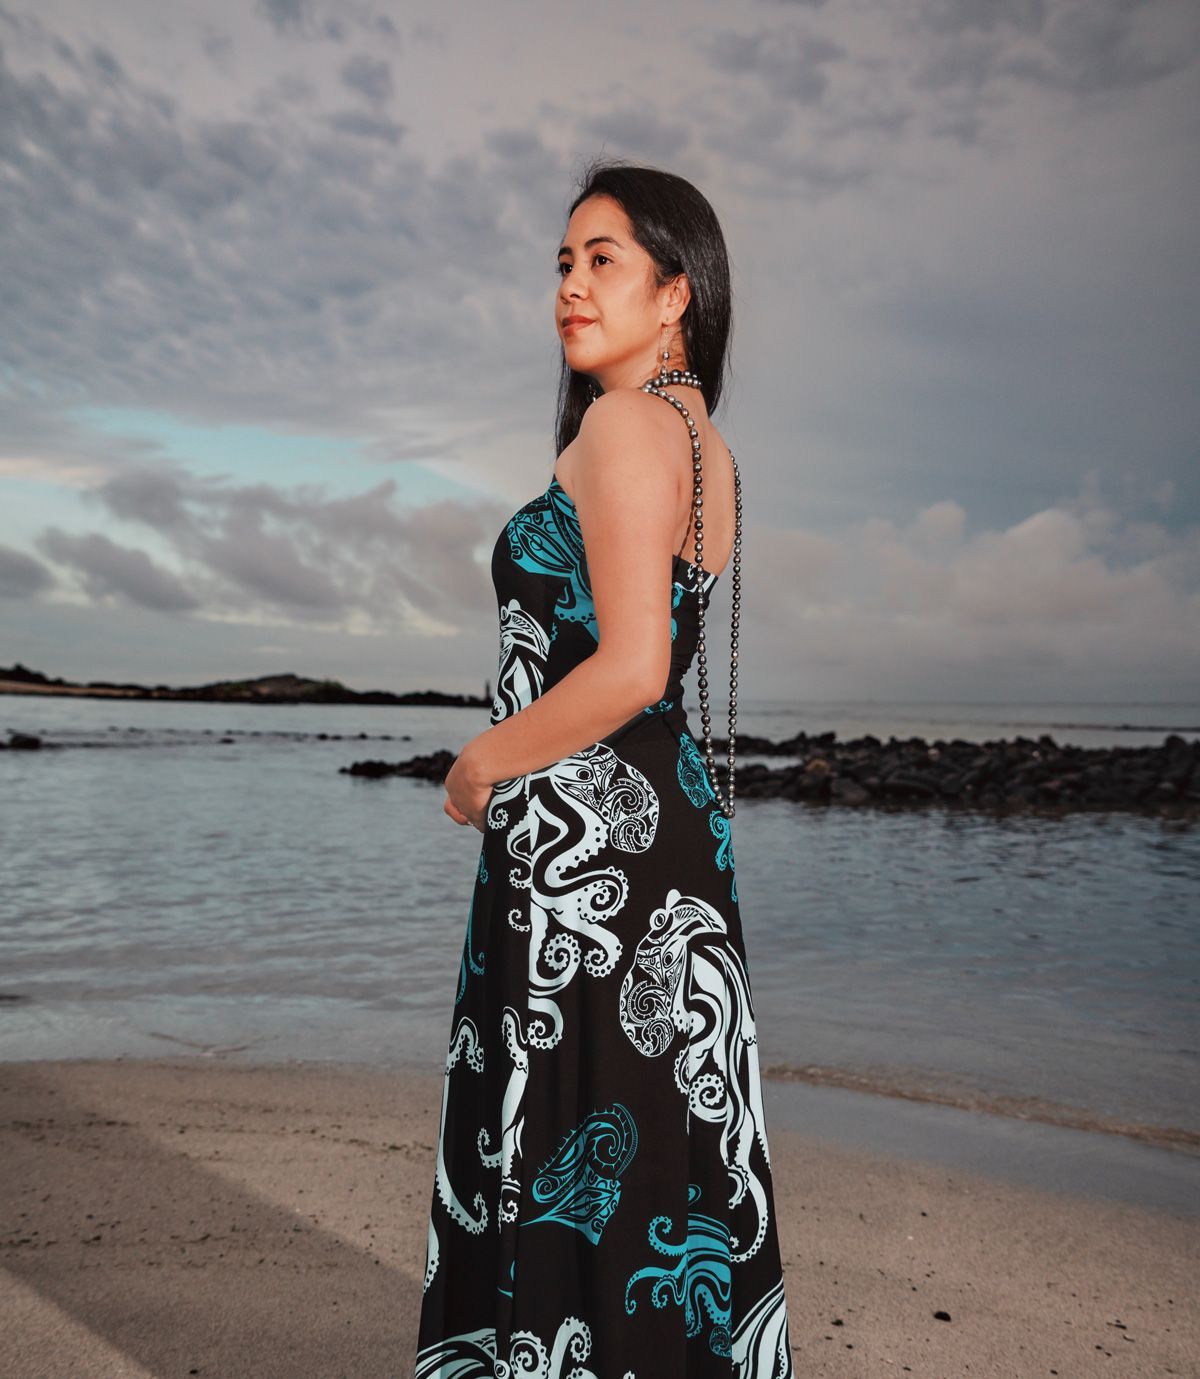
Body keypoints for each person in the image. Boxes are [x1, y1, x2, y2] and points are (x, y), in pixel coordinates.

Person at [416, 158, 794, 1379]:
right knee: (647, 1164)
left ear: (676, 292)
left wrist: (480, 762)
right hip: (658, 835)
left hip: (587, 842)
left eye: (603, 259)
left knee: (578, 1154)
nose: (571, 286)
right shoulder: (706, 443)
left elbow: (632, 663)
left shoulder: (627, 425)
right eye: (563, 263)